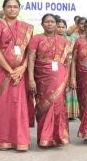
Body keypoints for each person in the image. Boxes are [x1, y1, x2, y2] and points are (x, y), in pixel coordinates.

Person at [0, 0, 33, 151]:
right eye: (9, 6)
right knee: (3, 104)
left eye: (15, 7)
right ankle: (2, 140)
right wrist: (10, 70)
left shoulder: (25, 28)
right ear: (3, 8)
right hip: (2, 72)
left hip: (20, 73)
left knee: (19, 104)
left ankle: (19, 140)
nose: (12, 9)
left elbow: (30, 52)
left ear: (19, 9)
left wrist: (22, 68)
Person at [27, 13, 71, 148]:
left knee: (58, 106)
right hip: (42, 78)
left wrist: (67, 79)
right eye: (47, 22)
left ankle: (58, 137)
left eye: (52, 22)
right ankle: (44, 138)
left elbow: (68, 62)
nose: (50, 24)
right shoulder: (36, 39)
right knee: (43, 106)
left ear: (56, 25)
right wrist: (31, 79)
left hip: (60, 78)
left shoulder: (64, 41)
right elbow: (31, 59)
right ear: (42, 24)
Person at [56, 19, 79, 120]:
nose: (61, 29)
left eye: (63, 27)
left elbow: (72, 55)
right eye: (59, 27)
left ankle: (69, 112)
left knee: (68, 88)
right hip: (55, 68)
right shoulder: (52, 39)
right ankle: (57, 112)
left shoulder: (69, 40)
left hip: (67, 66)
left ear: (66, 28)